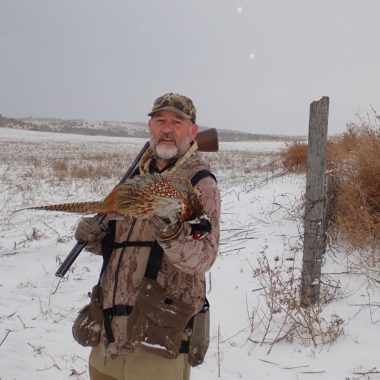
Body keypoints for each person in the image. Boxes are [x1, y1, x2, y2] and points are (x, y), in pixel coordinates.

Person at [74, 92, 221, 380]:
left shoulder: (199, 183)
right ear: (149, 127)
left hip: (156, 340)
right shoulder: (136, 176)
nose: (167, 129)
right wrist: (94, 238)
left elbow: (204, 257)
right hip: (109, 332)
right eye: (160, 120)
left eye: (177, 122)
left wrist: (172, 233)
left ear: (193, 131)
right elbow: (119, 242)